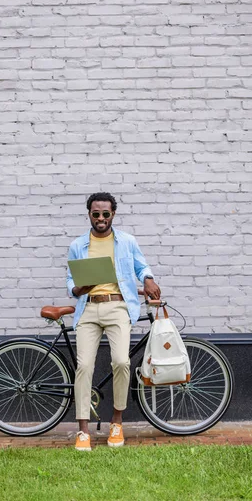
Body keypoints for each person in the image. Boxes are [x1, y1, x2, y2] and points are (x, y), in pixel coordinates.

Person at [67, 192, 161, 451]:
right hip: (88, 309)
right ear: (89, 214)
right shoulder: (78, 245)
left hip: (119, 307)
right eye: (95, 213)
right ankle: (83, 430)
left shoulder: (127, 242)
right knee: (84, 365)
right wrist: (79, 288)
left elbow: (142, 268)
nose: (100, 218)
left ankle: (116, 423)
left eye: (105, 214)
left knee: (121, 361)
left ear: (113, 214)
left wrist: (149, 278)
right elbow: (69, 281)